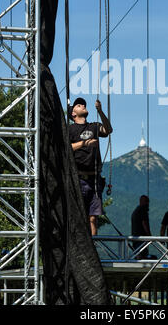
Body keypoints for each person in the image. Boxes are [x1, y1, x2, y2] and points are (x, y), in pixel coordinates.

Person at [69, 97, 112, 236]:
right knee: (79, 217)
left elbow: (108, 129)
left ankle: (93, 249)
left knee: (93, 218)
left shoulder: (94, 126)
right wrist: (84, 143)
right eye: (78, 105)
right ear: (73, 114)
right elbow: (65, 148)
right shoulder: (70, 129)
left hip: (94, 179)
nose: (82, 105)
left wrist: (100, 111)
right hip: (78, 179)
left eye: (83, 104)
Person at [131, 195, 152, 259]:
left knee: (138, 254)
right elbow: (144, 223)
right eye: (146, 201)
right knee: (142, 256)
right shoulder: (143, 210)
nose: (148, 203)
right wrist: (149, 235)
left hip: (135, 237)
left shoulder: (136, 210)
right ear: (142, 201)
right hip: (141, 238)